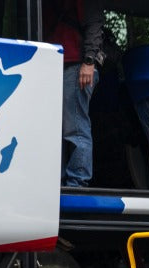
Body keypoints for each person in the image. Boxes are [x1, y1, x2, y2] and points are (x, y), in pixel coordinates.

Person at [44, 0, 105, 187]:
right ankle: (59, 181)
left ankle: (77, 183)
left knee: (76, 129)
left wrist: (89, 61)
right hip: (54, 64)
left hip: (77, 66)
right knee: (55, 129)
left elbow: (95, 23)